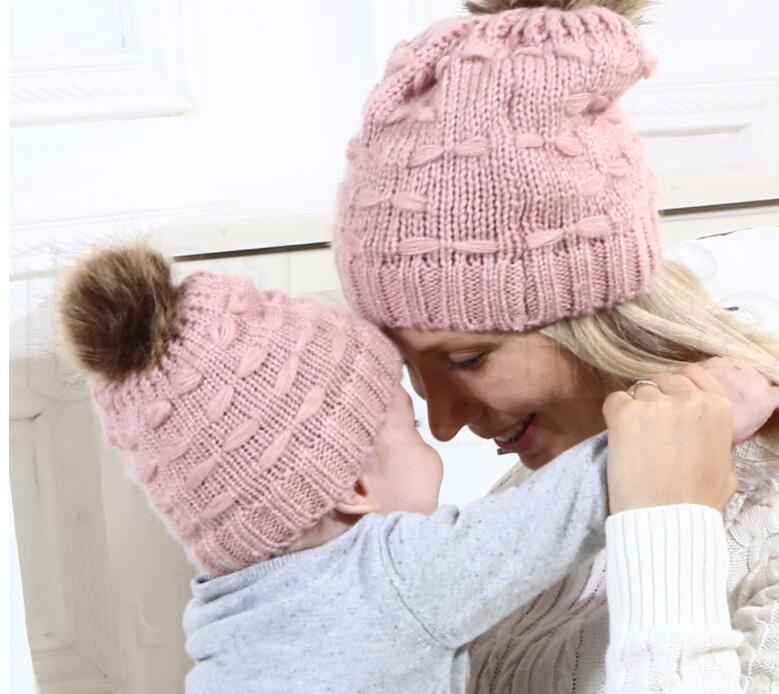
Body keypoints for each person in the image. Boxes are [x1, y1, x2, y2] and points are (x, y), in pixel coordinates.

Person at [332, 0, 779, 691]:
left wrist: (664, 520)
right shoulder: (549, 483)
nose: (444, 424)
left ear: (598, 318)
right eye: (410, 371)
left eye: (466, 359)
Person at [61, 243, 731, 693]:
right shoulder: (392, 571)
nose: (440, 433)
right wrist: (718, 401)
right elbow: (567, 507)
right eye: (409, 428)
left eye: (465, 360)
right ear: (352, 488)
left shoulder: (221, 615)